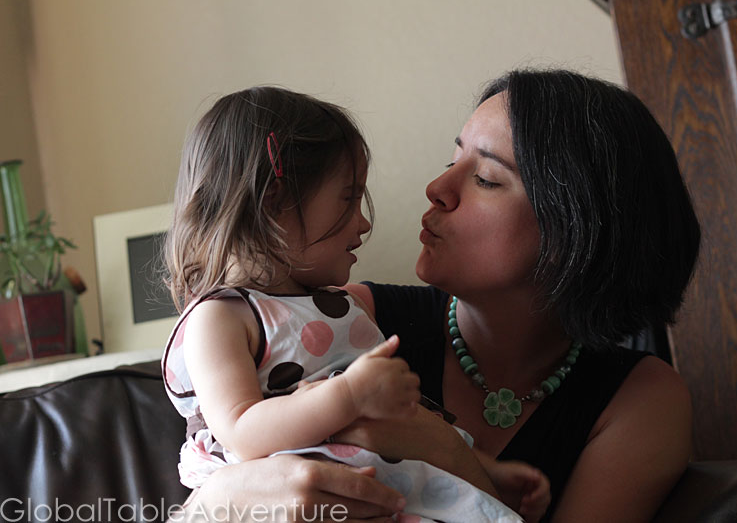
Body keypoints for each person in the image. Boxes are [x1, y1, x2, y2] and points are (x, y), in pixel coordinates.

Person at [176, 68, 702, 523]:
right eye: (453, 161)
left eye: (487, 178)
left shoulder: (641, 400)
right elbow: (218, 470)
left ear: (578, 228)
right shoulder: (341, 318)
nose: (437, 188)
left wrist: (449, 454)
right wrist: (220, 500)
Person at [161, 85, 550, 522]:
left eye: (487, 178)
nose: (363, 223)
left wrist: (486, 471)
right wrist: (348, 394)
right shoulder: (221, 317)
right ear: (275, 203)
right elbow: (242, 432)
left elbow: (412, 425)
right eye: (348, 199)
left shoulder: (336, 305)